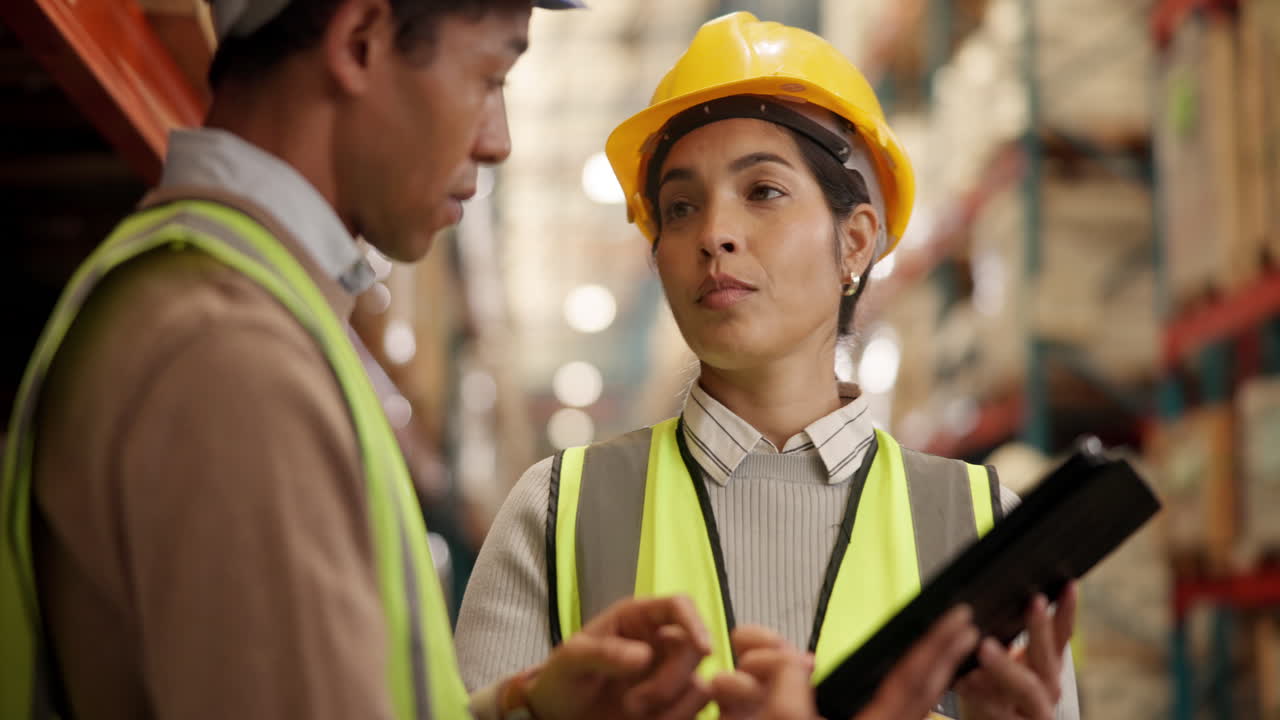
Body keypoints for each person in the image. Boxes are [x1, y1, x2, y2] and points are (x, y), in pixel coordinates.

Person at [0, 1, 724, 719]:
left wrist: (527, 710)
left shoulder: (259, 315)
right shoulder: (231, 355)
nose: (497, 141)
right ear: (359, 41)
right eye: (488, 78)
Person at [456, 12, 1081, 720]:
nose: (714, 234)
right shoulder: (556, 513)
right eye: (680, 207)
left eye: (763, 192)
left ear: (856, 241)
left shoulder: (982, 525)